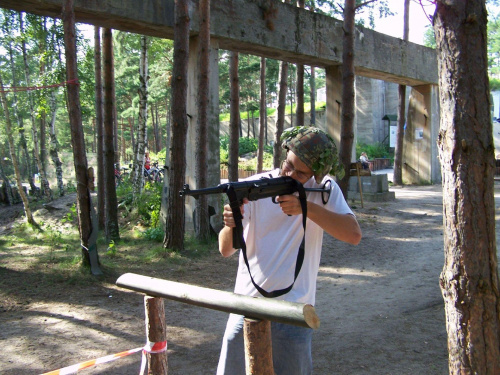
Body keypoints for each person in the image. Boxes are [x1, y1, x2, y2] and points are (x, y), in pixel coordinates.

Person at [216, 126, 362, 375]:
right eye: (288, 165)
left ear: (315, 175)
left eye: (301, 173)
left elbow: (353, 234)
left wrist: (307, 208)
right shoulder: (253, 187)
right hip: (247, 304)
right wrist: (232, 223)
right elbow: (225, 249)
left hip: (294, 310)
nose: (290, 174)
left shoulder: (324, 189)